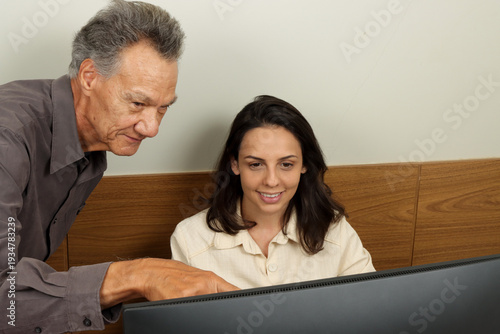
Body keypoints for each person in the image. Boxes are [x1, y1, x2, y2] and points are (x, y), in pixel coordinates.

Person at [0, 1, 236, 333]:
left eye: (163, 108)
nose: (151, 128)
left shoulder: (95, 143)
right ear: (88, 76)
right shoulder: (8, 138)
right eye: (138, 103)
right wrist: (135, 275)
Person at [171, 95, 375, 289]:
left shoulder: (335, 231)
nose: (271, 181)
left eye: (286, 164)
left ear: (304, 164)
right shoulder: (190, 239)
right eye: (256, 164)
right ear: (235, 164)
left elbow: (369, 309)